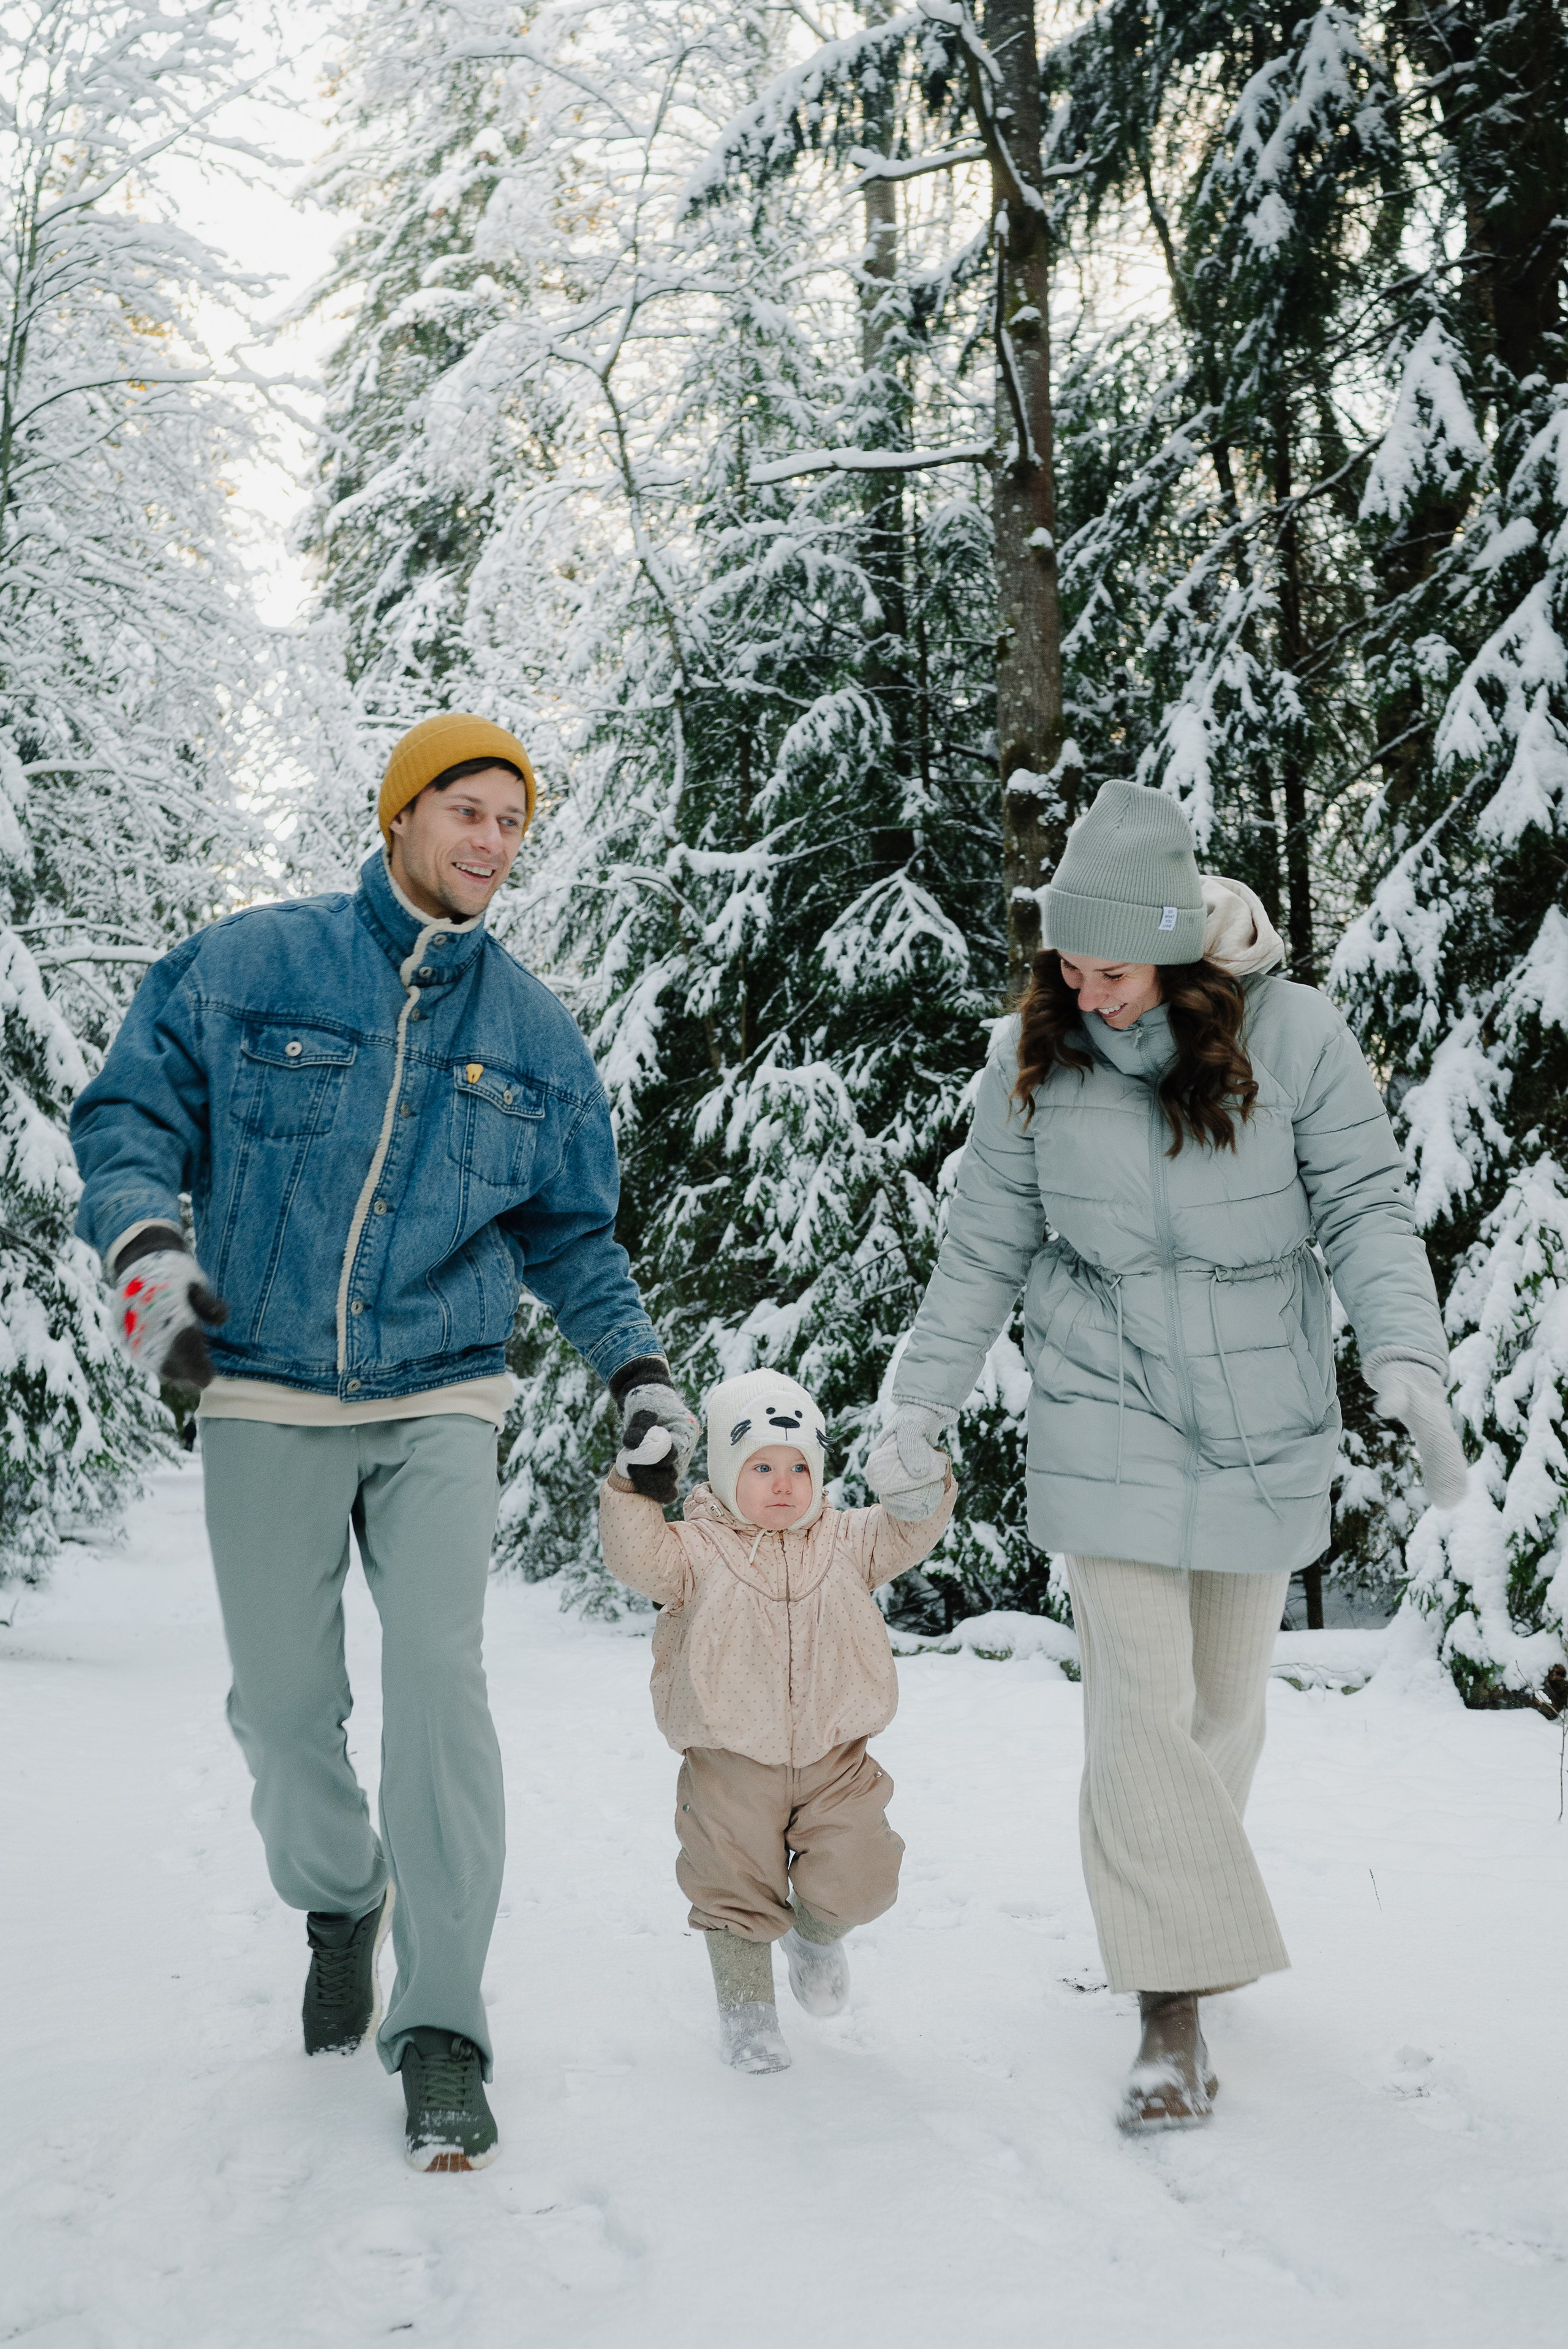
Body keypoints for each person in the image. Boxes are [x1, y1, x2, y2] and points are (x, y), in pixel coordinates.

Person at [70, 714, 698, 2171]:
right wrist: (150, 1253)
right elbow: (128, 1114)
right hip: (265, 1382)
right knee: (285, 1711)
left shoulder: (529, 1032)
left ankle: (441, 2029)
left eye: (512, 822)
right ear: (402, 813)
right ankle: (342, 1893)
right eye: (467, 810)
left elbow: (572, 1234)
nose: (491, 842)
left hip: (441, 1389)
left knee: (436, 1686)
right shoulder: (252, 964)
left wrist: (638, 1369)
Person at [872, 781, 1466, 2130]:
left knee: (1221, 1708)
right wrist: (920, 1405)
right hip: (1105, 1393)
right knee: (1138, 1705)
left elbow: (1366, 1208)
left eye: (1115, 970)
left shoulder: (1294, 1035)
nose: (1088, 995)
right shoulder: (1031, 1056)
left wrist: (1407, 1360)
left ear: (1179, 953)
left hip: (1263, 1407)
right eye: (1067, 968)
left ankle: (1175, 1916)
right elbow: (982, 1247)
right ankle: (1170, 2008)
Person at [598, 1368, 954, 2072]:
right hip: (728, 1761)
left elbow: (909, 1529)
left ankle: (814, 1937)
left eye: (798, 1466)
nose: (783, 1484)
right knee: (731, 1884)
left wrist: (921, 1481)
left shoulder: (848, 1539)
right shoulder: (695, 1549)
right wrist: (633, 1487)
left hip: (835, 1757)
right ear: (727, 1469)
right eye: (761, 1466)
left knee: (864, 1869)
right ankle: (748, 2012)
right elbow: (636, 1556)